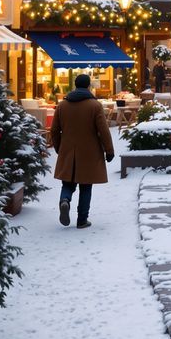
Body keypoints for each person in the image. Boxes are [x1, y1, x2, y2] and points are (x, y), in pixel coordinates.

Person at [51, 73, 114, 229]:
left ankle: (65, 200)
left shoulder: (62, 105)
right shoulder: (95, 106)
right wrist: (109, 150)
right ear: (88, 86)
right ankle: (82, 220)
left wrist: (59, 148)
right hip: (89, 152)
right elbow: (103, 130)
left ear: (75, 85)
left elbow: (54, 130)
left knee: (68, 183)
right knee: (86, 186)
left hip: (68, 150)